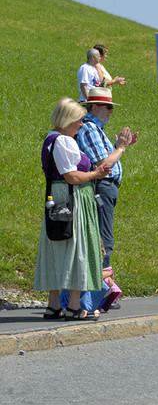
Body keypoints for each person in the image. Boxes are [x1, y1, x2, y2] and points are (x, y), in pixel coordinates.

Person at [34, 98, 112, 320]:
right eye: (79, 119)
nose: (81, 124)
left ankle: (54, 305)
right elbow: (72, 176)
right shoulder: (65, 141)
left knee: (59, 247)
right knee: (80, 247)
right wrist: (95, 174)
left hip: (57, 196)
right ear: (68, 119)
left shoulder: (51, 139)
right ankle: (75, 306)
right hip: (74, 197)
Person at [76, 87, 138, 269]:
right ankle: (99, 290)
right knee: (103, 241)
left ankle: (98, 289)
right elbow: (103, 163)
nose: (111, 112)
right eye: (108, 107)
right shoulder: (89, 128)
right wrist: (121, 148)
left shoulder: (95, 128)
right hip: (101, 186)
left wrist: (117, 146)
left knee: (103, 239)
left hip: (105, 187)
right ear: (94, 107)